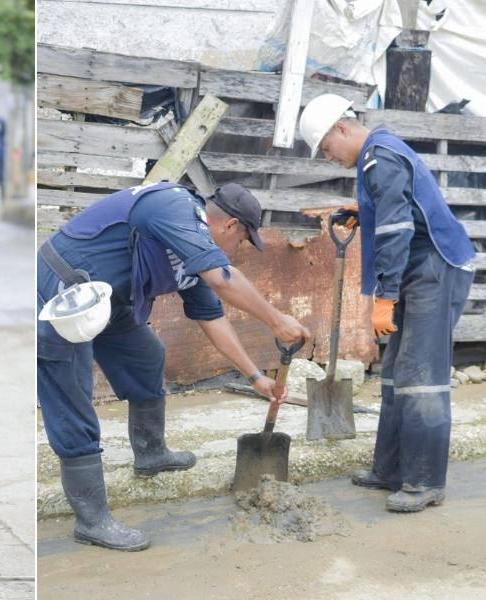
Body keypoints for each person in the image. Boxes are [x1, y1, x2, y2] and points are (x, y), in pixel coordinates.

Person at [37, 181, 310, 550]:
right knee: (72, 396)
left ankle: (150, 453)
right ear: (230, 225)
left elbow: (212, 317)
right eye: (243, 240)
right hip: (59, 296)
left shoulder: (190, 251)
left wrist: (256, 377)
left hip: (104, 299)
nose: (238, 250)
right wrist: (277, 319)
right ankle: (92, 521)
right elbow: (223, 278)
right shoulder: (174, 208)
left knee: (146, 355)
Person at [299, 94, 475, 513]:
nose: (329, 157)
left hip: (434, 268)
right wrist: (365, 210)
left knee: (421, 374)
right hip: (420, 265)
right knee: (396, 372)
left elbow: (396, 230)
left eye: (327, 147)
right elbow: (401, 206)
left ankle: (423, 481)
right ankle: (391, 469)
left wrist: (386, 297)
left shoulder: (381, 157)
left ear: (343, 128)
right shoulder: (376, 156)